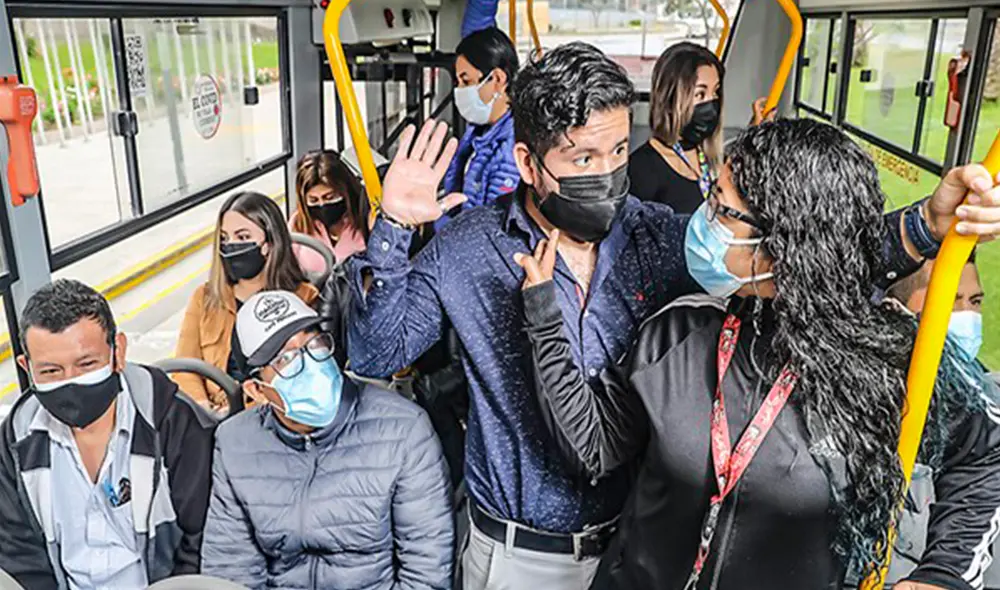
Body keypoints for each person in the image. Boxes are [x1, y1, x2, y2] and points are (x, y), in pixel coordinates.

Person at [346, 42, 1000, 589]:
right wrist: (395, 228)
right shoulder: (465, 248)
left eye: (616, 153)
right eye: (582, 160)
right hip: (516, 554)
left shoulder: (657, 238)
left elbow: (796, 250)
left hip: (630, 540)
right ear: (527, 164)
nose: (607, 175)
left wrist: (923, 226)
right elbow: (377, 353)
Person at [517, 119, 1000, 589]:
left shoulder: (880, 363)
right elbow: (595, 444)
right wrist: (544, 318)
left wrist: (945, 574)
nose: (704, 221)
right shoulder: (678, 333)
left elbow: (987, 456)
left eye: (722, 210)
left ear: (780, 244)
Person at [200, 290, 453, 589]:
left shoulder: (403, 430)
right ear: (256, 390)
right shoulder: (235, 444)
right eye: (285, 358)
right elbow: (231, 569)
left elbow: (426, 572)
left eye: (313, 343)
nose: (310, 363)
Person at [0, 279, 216, 589]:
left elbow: (201, 541)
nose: (70, 383)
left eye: (87, 364)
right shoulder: (13, 445)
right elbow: (20, 557)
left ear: (119, 351)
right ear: (26, 367)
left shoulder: (175, 424)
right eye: (50, 371)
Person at [175, 191, 318, 412]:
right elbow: (185, 366)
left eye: (242, 237)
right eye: (224, 239)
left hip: (270, 412)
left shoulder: (303, 298)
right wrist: (203, 406)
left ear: (269, 244)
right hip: (213, 412)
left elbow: (304, 377)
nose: (231, 246)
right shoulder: (204, 298)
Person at [628, 42, 774, 214]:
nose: (711, 104)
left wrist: (755, 133)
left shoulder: (709, 159)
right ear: (670, 98)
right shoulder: (641, 170)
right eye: (700, 94)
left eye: (715, 93)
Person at [437, 26, 519, 230]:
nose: (460, 91)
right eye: (458, 82)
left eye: (466, 81)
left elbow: (492, 230)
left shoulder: (510, 150)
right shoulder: (479, 133)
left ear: (498, 79)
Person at [290, 149, 370, 273]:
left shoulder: (366, 217)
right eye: (314, 200)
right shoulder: (298, 224)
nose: (322, 205)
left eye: (330, 197)